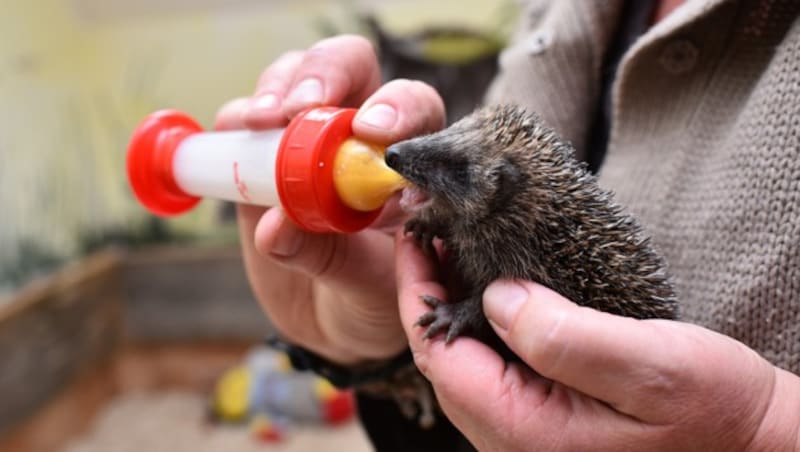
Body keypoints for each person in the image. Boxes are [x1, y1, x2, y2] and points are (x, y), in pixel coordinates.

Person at [215, 0, 800, 450]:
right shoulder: (558, 17)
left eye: (450, 167)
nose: (406, 155)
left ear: (501, 194)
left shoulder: (514, 240)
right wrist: (377, 342)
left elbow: (498, 303)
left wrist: (763, 429)